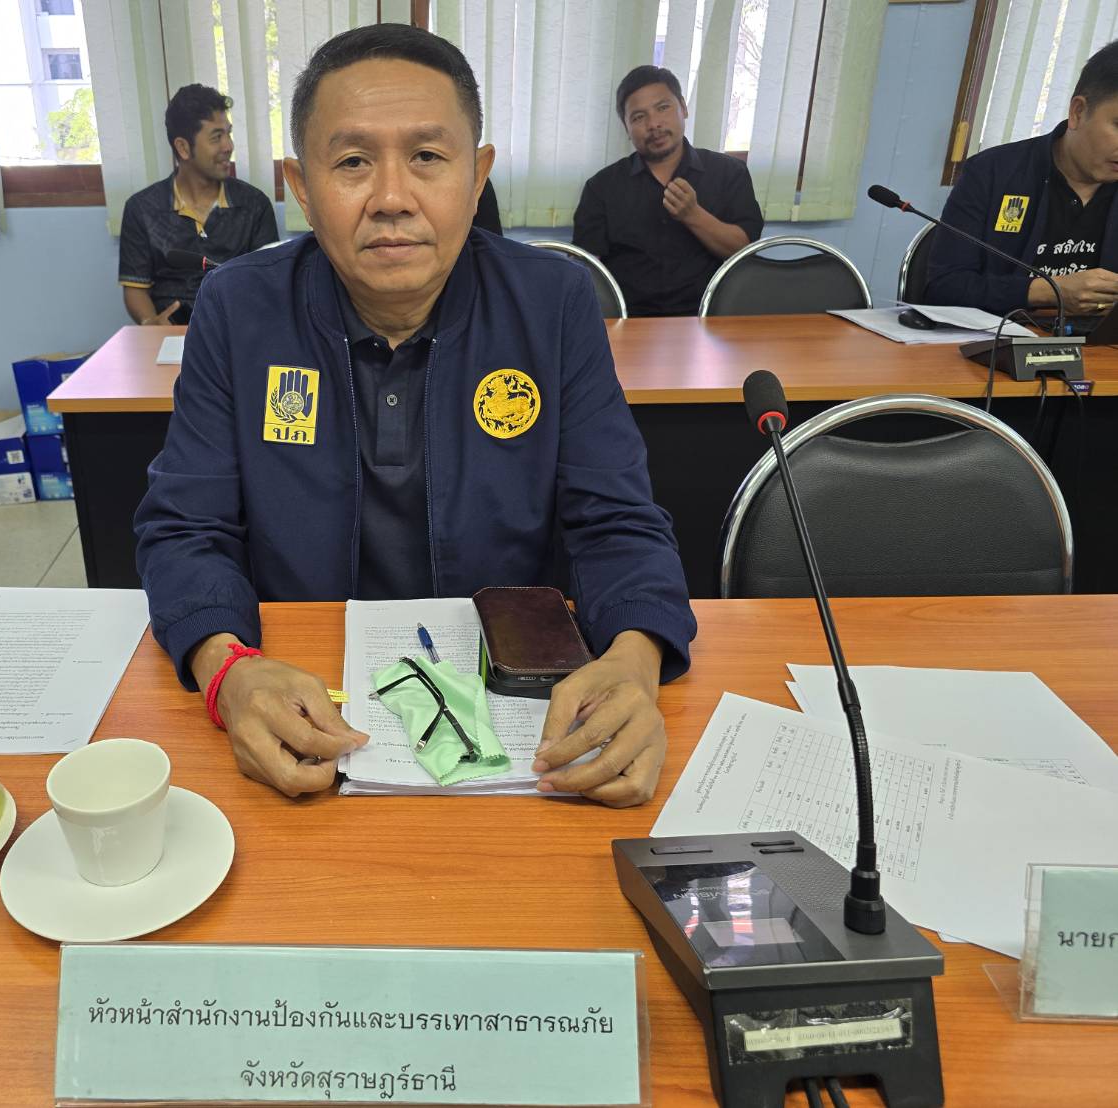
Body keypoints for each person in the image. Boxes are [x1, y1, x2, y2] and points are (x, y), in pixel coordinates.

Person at [133, 25, 696, 808]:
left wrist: (634, 658)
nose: (392, 198)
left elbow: (619, 522)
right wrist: (225, 667)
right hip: (306, 696)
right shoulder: (237, 309)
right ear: (300, 185)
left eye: (428, 156)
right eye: (352, 162)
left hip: (514, 716)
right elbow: (183, 528)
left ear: (477, 175)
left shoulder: (551, 303)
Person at [924, 41, 1118, 319]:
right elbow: (944, 288)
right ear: (1077, 112)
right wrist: (1047, 291)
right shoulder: (992, 172)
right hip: (996, 340)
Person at [572, 65, 763, 316]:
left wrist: (693, 215)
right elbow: (587, 270)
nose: (654, 124)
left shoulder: (729, 173)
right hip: (629, 322)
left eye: (663, 108)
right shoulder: (601, 187)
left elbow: (744, 252)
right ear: (626, 128)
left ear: (683, 107)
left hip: (709, 322)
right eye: (638, 117)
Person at [119, 84, 279, 326]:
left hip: (234, 329)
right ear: (183, 148)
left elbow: (267, 283)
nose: (228, 146)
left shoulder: (254, 205)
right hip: (170, 332)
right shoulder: (141, 209)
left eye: (229, 134)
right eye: (216, 137)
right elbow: (135, 288)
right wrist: (150, 323)